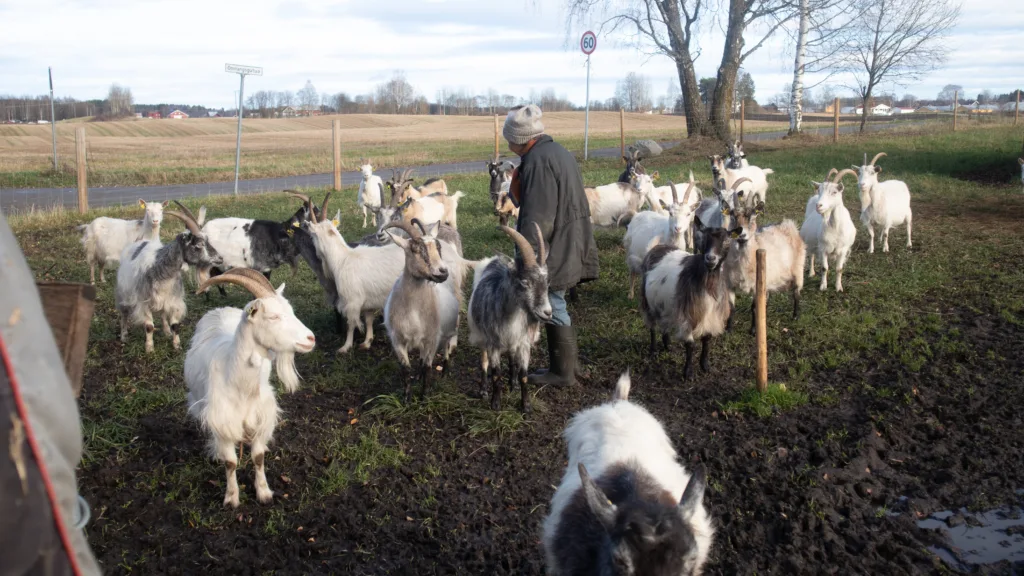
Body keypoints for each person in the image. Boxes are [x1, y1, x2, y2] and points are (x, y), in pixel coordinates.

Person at [504, 104, 599, 387]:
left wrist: (529, 259)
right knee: (556, 299)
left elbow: (538, 217)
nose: (507, 140)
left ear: (519, 138)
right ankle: (570, 365)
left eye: (508, 135)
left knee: (551, 299)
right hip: (571, 236)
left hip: (555, 243)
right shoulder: (557, 152)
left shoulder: (537, 162)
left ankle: (563, 373)